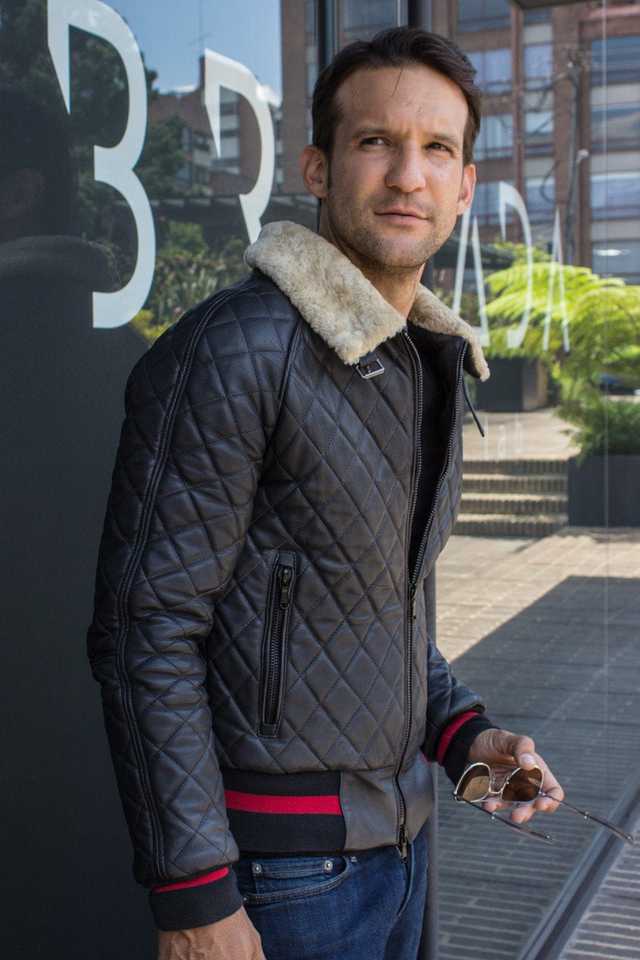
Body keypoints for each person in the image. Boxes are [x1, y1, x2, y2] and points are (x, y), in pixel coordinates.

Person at [86, 27, 564, 960]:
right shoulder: (236, 349)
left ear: (466, 186)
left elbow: (373, 614)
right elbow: (146, 630)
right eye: (375, 141)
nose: (407, 176)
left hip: (403, 849)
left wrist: (465, 738)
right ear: (318, 166)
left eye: (437, 149)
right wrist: (194, 895)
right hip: (279, 876)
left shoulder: (422, 362)